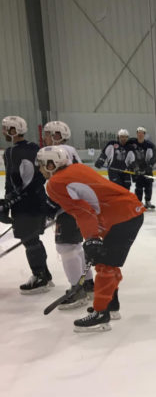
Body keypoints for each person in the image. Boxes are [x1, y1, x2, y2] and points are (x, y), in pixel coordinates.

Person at [36, 146, 145, 332]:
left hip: (120, 217)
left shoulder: (54, 183)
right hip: (128, 211)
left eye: (41, 164)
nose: (39, 169)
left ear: (51, 164)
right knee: (108, 263)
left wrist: (91, 238)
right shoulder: (76, 168)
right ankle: (111, 306)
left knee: (105, 265)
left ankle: (101, 314)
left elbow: (83, 211)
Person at [41, 120, 94, 308]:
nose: (45, 138)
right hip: (79, 206)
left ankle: (76, 291)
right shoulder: (71, 150)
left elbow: (63, 183)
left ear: (57, 135)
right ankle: (88, 284)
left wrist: (52, 207)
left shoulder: (57, 152)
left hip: (68, 207)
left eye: (48, 134)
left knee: (66, 247)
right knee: (76, 246)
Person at [1, 115, 53, 293]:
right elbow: (40, 178)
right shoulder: (35, 148)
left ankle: (40, 276)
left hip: (25, 205)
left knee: (29, 240)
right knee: (33, 238)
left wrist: (10, 201)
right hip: (37, 200)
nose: (3, 131)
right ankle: (44, 274)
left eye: (5, 128)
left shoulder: (11, 152)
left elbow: (13, 181)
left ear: (13, 131)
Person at [129, 126, 156, 210]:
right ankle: (139, 202)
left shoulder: (150, 145)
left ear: (144, 134)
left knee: (148, 186)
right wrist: (133, 167)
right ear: (136, 134)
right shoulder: (131, 142)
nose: (140, 134)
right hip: (136, 169)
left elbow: (154, 158)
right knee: (139, 186)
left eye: (142, 133)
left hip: (147, 169)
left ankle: (148, 201)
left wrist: (149, 166)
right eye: (139, 133)